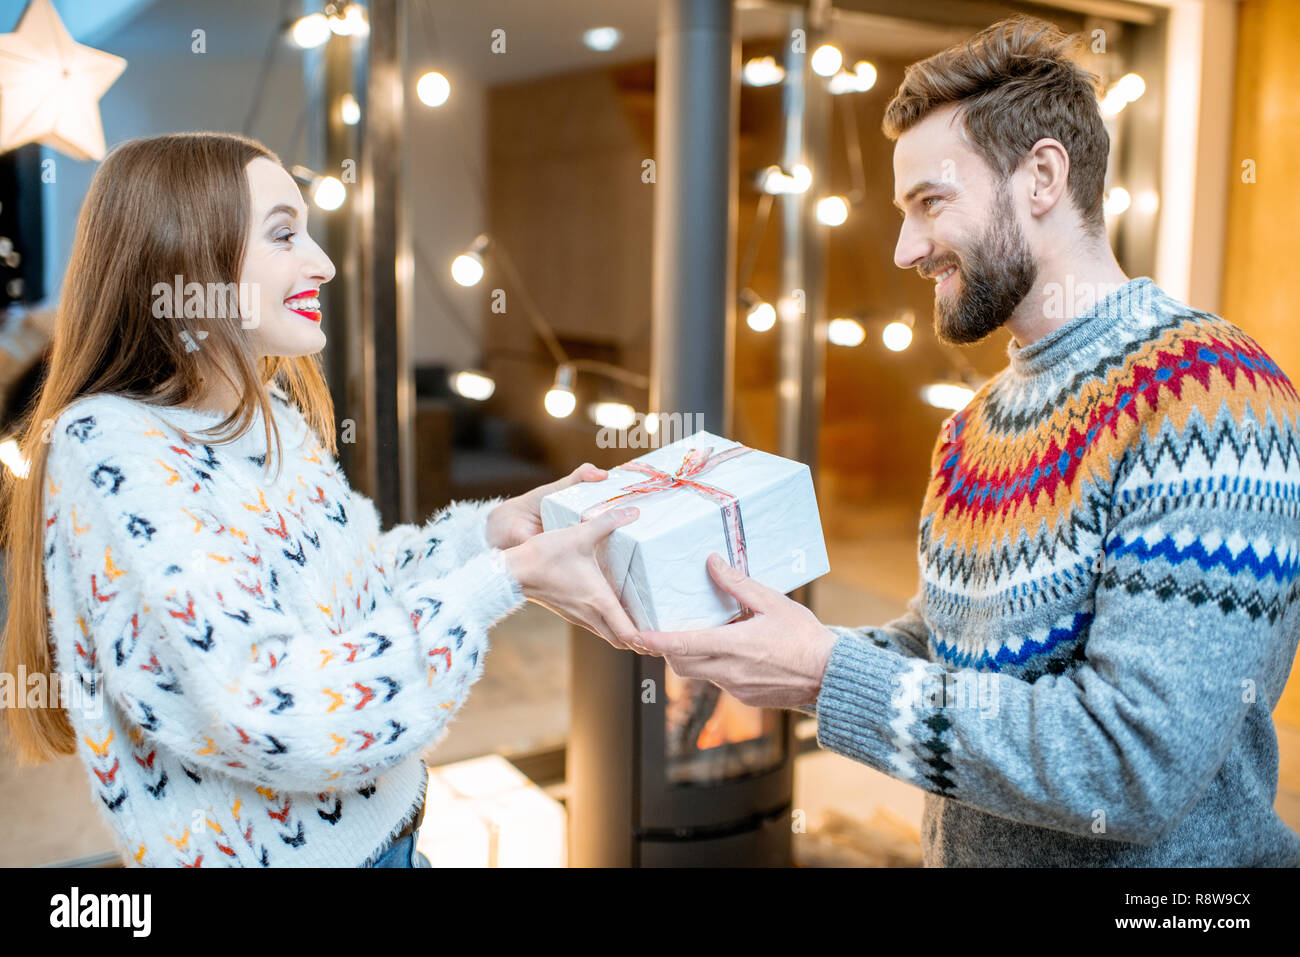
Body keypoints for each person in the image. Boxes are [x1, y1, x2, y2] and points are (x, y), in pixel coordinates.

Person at [635, 15, 1300, 866]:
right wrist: (769, 644)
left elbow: (1135, 766)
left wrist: (825, 673)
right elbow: (948, 642)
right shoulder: (974, 424)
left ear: (1043, 176)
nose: (908, 249)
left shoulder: (1214, 402)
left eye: (930, 203)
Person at [0, 131, 641, 867]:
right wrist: (498, 586)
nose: (324, 263)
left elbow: (348, 597)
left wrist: (490, 537)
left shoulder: (265, 414)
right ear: (186, 254)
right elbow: (272, 705)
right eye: (284, 235)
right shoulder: (111, 447)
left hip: (391, 841)